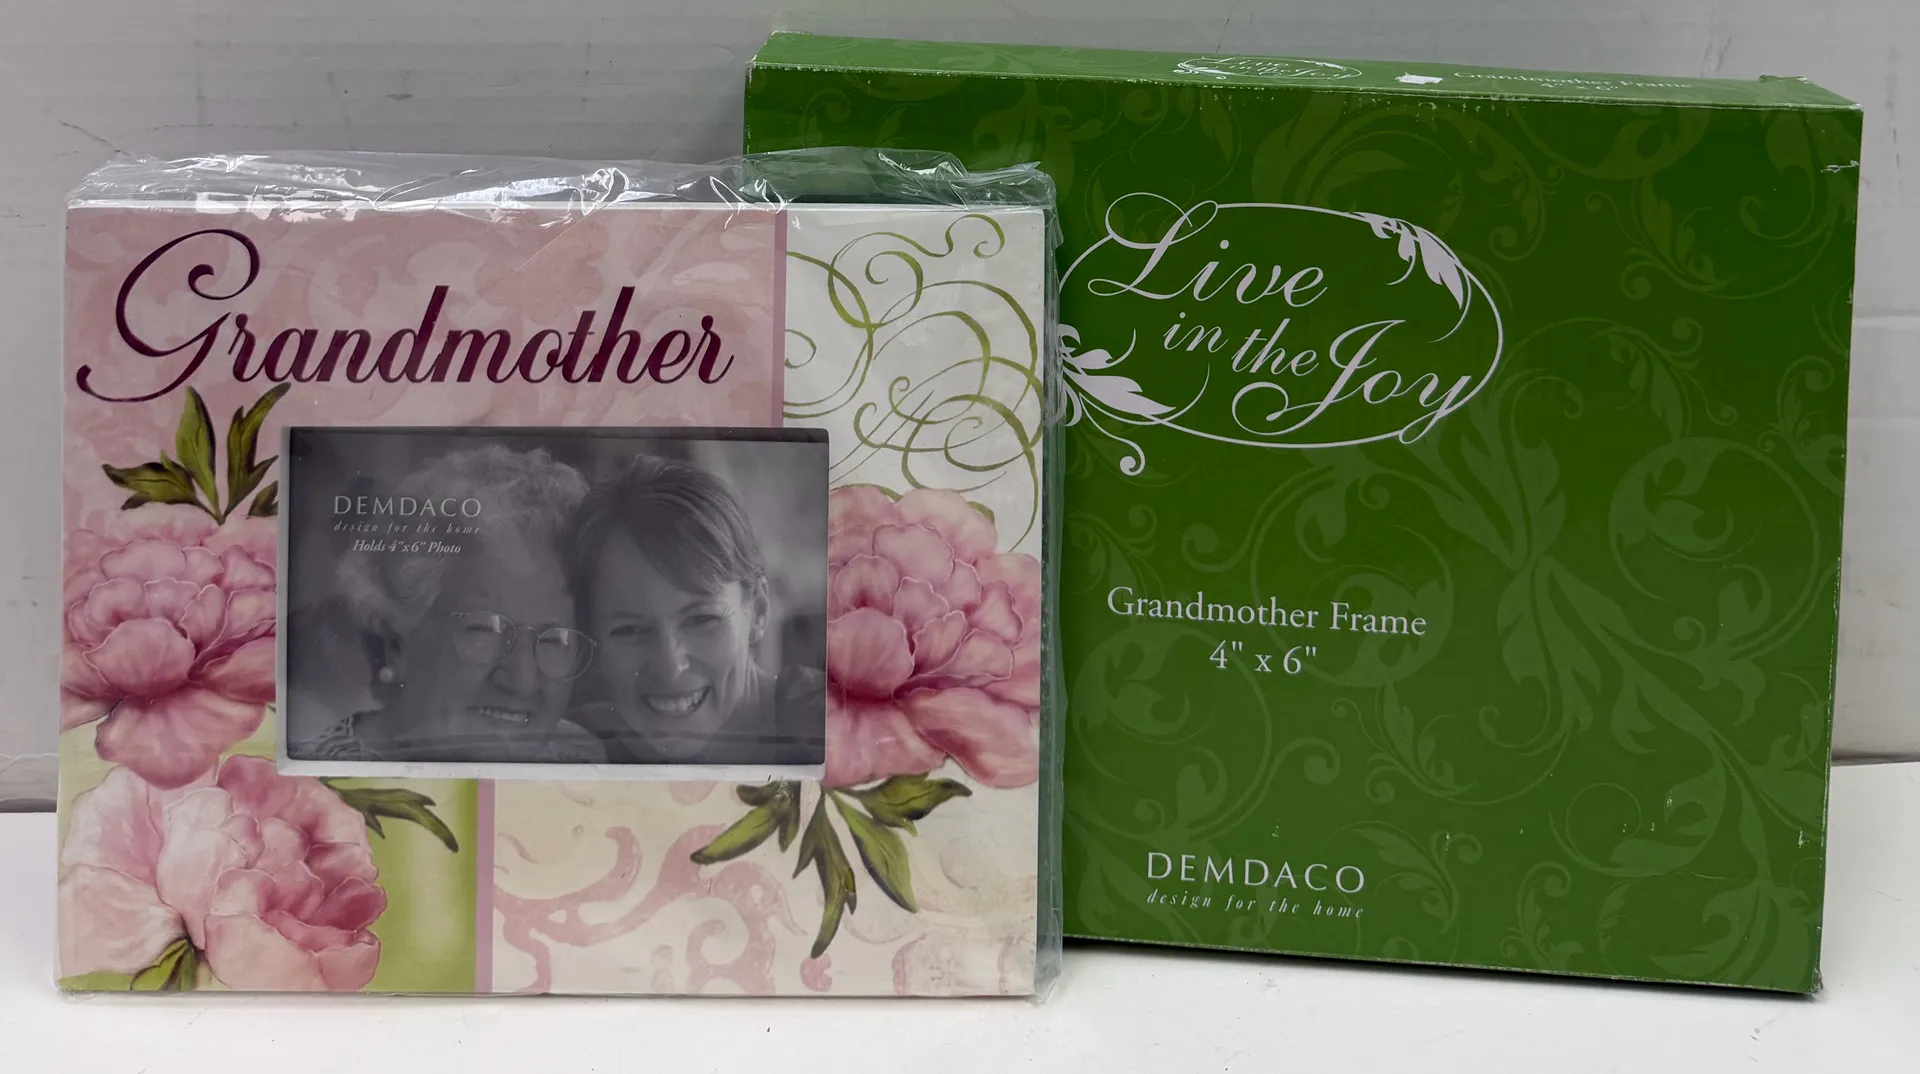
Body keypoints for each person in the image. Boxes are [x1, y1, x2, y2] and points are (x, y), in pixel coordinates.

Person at [308, 444, 605, 764]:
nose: (523, 682)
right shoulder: (321, 780)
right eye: (484, 631)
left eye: (554, 641)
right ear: (398, 643)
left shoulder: (577, 755)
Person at [567, 453, 823, 765]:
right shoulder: (572, 749)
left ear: (758, 611)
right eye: (630, 630)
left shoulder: (837, 728)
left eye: (701, 620)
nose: (670, 667)